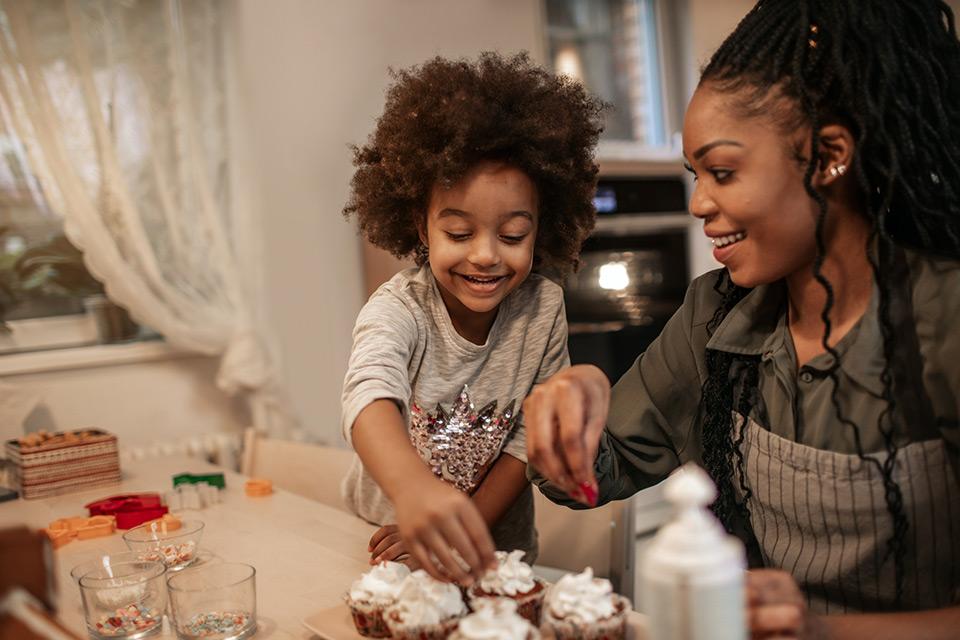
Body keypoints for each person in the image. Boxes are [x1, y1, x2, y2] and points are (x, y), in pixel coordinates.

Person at [520, 0, 960, 637]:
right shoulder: (715, 313)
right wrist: (578, 397)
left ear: (828, 155)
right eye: (695, 174)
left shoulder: (942, 321)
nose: (700, 202)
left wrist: (822, 631)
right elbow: (594, 471)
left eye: (723, 172)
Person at [340, 52, 604, 586]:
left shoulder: (542, 307)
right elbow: (368, 393)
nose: (485, 255)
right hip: (388, 544)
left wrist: (468, 529)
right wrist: (413, 493)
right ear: (421, 226)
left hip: (495, 551)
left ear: (541, 227)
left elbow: (524, 439)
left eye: (512, 236)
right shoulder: (399, 308)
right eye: (460, 234)